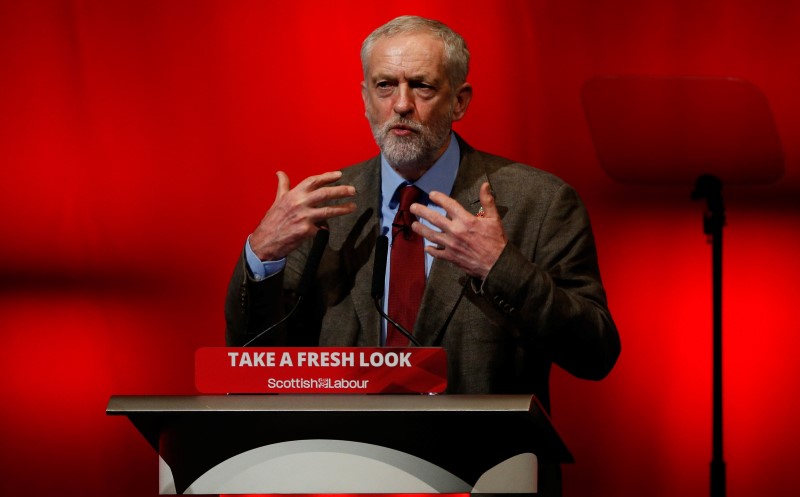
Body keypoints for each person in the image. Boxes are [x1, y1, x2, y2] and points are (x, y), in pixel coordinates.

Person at [225, 15, 620, 496]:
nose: (402, 105)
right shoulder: (325, 210)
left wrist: (502, 267)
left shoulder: (539, 203)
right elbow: (253, 358)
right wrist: (260, 257)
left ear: (460, 100)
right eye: (385, 86)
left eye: (423, 87)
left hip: (484, 478)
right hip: (342, 475)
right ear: (365, 98)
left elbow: (596, 351)